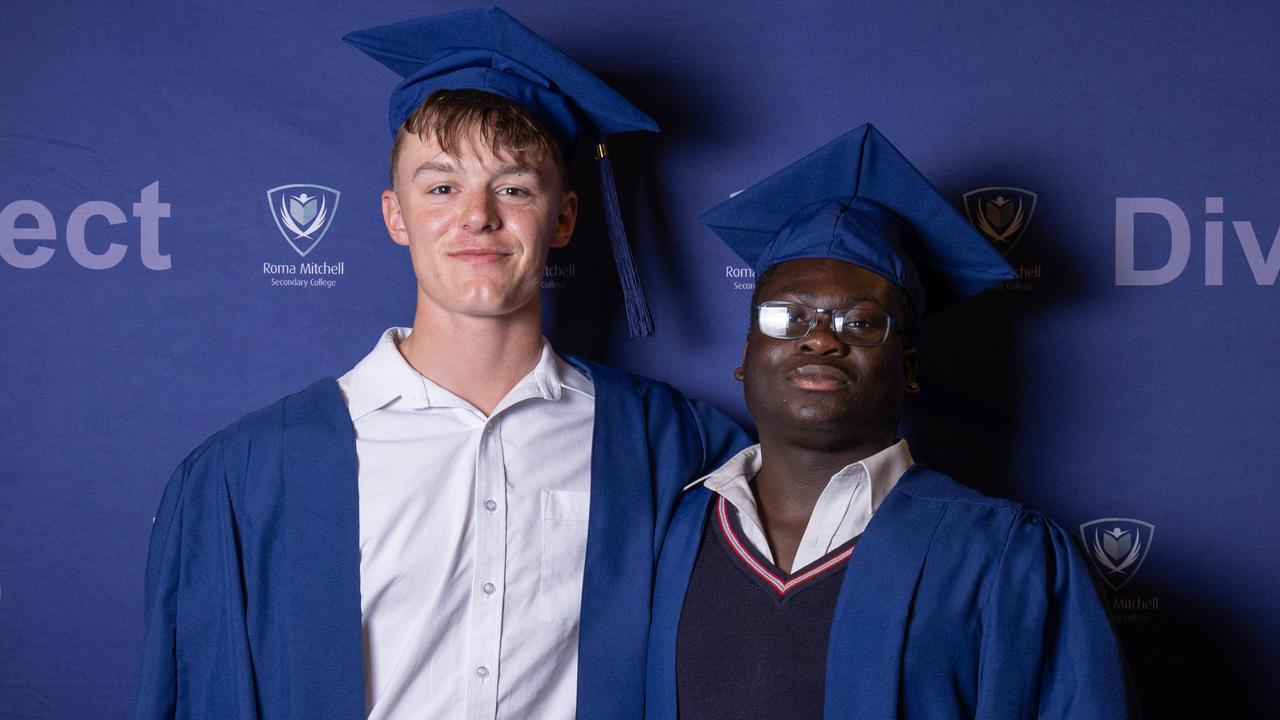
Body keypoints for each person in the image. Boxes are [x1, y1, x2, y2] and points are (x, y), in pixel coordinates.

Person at [132, 8, 748, 720]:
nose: (478, 216)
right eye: (442, 186)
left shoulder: (670, 448)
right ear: (396, 216)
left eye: (514, 187)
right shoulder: (251, 474)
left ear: (566, 216)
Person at [645, 124, 1137, 719]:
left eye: (860, 323)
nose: (820, 339)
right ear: (745, 355)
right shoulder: (666, 539)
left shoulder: (1004, 555)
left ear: (907, 367)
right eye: (787, 317)